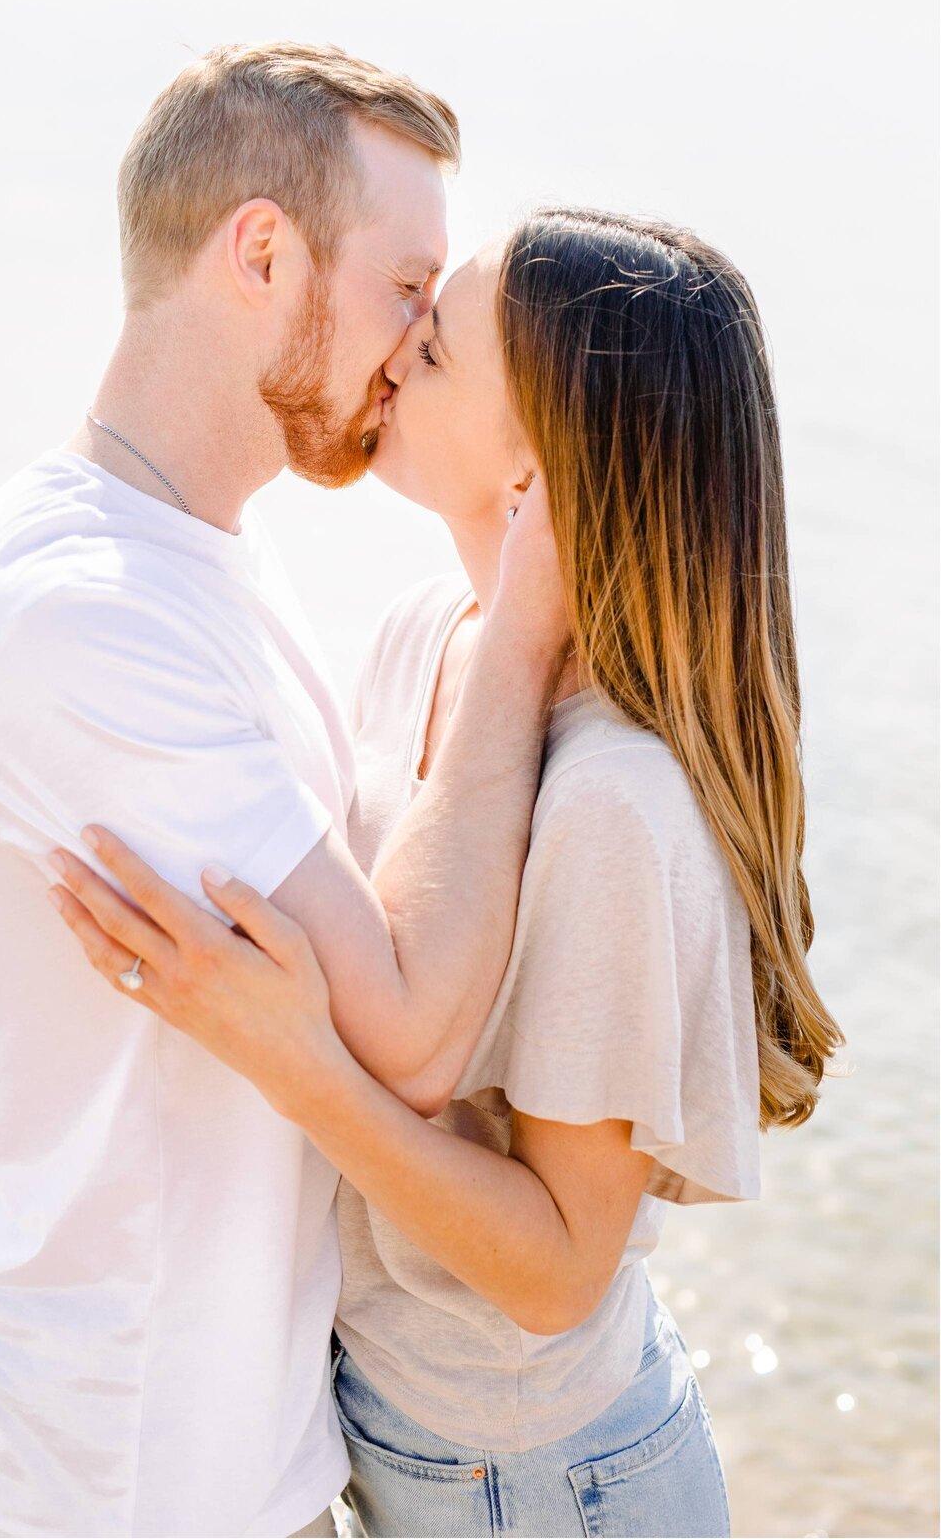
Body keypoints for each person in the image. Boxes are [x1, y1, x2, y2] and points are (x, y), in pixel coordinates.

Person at [53, 208, 845, 1538]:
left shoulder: (611, 803)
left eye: (442, 340)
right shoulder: (427, 636)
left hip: (547, 1486)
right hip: (388, 1438)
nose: (398, 340)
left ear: (536, 471)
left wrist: (290, 1060)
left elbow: (553, 1275)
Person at [0, 42, 575, 1539]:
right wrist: (522, 636)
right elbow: (402, 1031)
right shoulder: (76, 620)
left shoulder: (200, 546)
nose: (415, 345)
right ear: (262, 254)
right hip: (110, 1481)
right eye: (406, 287)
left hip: (223, 1452)